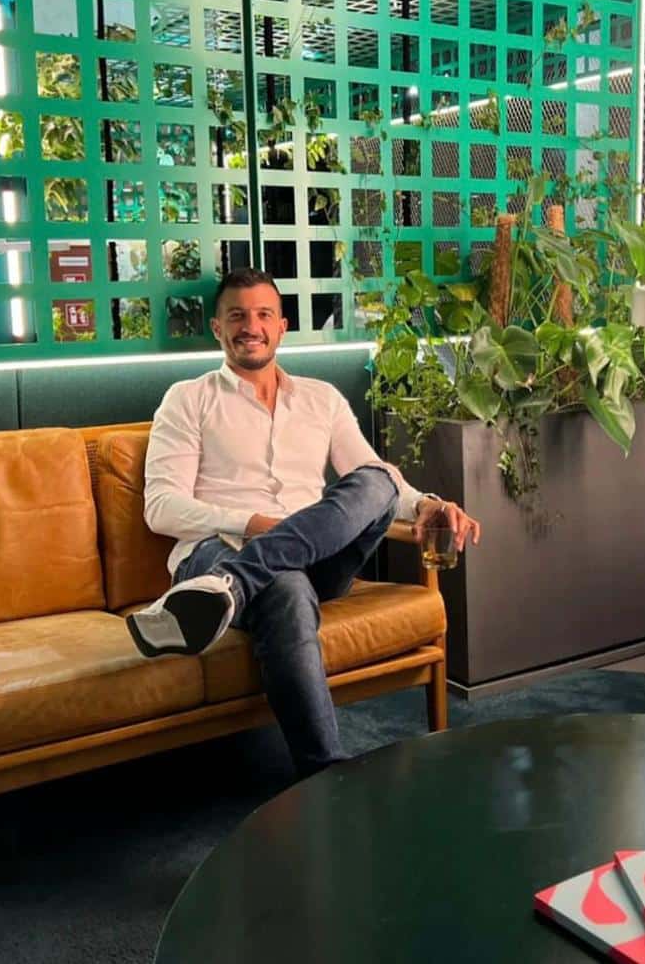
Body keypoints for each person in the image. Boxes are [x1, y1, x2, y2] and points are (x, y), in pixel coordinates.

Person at [126, 267, 480, 776]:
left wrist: (426, 504)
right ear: (217, 328)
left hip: (312, 559)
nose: (251, 326)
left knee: (377, 480)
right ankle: (326, 774)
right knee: (286, 586)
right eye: (237, 316)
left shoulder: (322, 398)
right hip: (213, 551)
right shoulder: (188, 399)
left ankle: (232, 586)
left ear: (282, 326)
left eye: (263, 314)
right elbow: (161, 507)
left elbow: (375, 481)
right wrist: (253, 523)